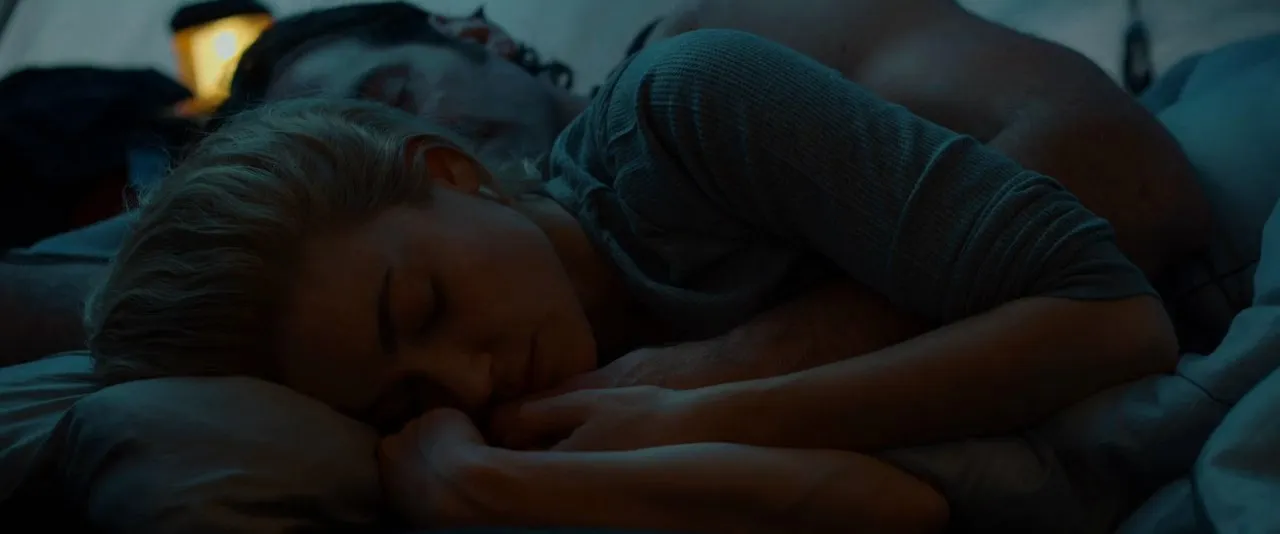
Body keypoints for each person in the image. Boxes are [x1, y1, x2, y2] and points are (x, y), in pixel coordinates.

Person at [83, 9, 1191, 527]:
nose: (464, 378)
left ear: (446, 168)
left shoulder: (693, 89)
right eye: (405, 396)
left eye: (422, 305)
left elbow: (1117, 273)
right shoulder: (526, 409)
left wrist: (712, 390)